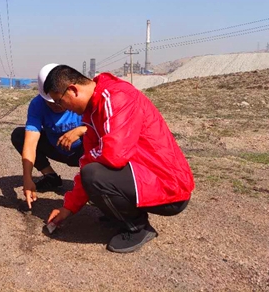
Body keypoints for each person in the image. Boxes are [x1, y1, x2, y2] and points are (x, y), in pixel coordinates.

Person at [44, 65, 194, 253]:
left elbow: (113, 155)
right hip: (147, 177)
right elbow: (89, 160)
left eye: (60, 101)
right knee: (90, 171)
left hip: (170, 187)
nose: (63, 108)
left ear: (73, 90)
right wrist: (68, 208)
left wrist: (90, 163)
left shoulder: (117, 97)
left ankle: (137, 228)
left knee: (94, 174)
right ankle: (118, 213)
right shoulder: (92, 112)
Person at [12, 63, 86, 209]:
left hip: (82, 152)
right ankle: (50, 177)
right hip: (57, 148)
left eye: (59, 102)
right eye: (51, 102)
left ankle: (90, 184)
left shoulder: (79, 101)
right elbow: (30, 143)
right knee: (19, 135)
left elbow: (101, 129)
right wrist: (27, 178)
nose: (56, 106)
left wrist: (80, 130)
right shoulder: (37, 105)